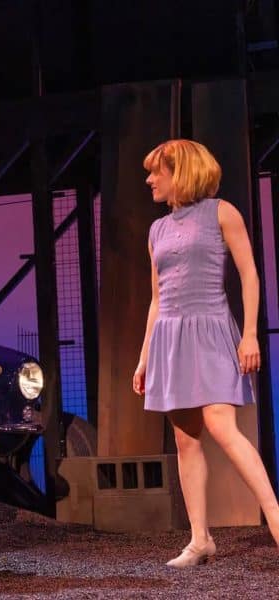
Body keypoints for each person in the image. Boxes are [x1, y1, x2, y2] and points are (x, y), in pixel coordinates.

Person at [133, 139, 279, 567]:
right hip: (169, 337)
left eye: (157, 171)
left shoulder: (221, 212)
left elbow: (249, 273)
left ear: (182, 172)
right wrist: (144, 357)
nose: (150, 179)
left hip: (211, 328)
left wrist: (250, 333)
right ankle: (200, 540)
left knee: (221, 423)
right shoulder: (156, 230)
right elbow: (156, 299)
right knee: (185, 438)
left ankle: (274, 514)